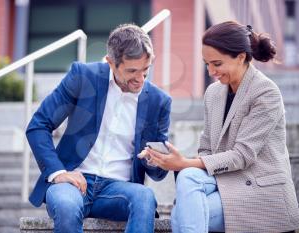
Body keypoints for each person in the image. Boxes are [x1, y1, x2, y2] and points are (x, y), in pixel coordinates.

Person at [140, 21, 299, 233]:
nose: (211, 71)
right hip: (224, 181)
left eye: (217, 63)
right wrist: (169, 160)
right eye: (206, 64)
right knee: (187, 177)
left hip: (259, 192)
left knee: (181, 213)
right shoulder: (214, 93)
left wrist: (183, 163)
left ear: (241, 57)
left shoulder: (266, 93)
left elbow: (242, 155)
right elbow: (206, 148)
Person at [26, 23, 171, 233]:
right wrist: (58, 173)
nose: (140, 79)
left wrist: (156, 159)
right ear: (111, 63)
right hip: (73, 182)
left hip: (118, 190)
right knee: (66, 205)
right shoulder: (83, 76)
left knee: (144, 197)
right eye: (132, 71)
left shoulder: (159, 101)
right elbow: (38, 125)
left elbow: (157, 174)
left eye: (145, 70)